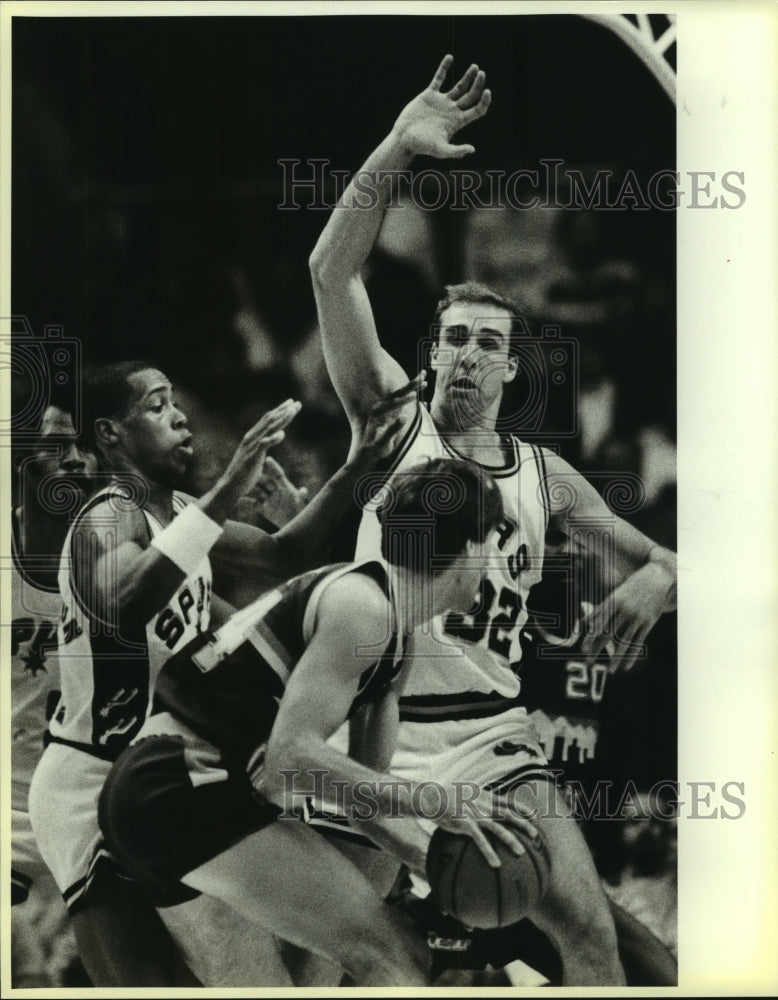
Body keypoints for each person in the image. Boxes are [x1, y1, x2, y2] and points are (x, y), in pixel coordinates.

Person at [309, 55, 677, 986]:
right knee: (342, 959)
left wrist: (657, 575)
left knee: (590, 936)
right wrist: (396, 147)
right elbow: (328, 270)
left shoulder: (547, 478)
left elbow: (670, 560)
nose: (470, 357)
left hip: (491, 735)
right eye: (457, 340)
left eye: (490, 345)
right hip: (372, 731)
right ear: (429, 356)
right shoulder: (390, 420)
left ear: (513, 370)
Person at [27, 359, 422, 985]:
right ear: (109, 435)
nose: (180, 416)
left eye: (176, 400)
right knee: (152, 985)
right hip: (88, 777)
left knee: (245, 969)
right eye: (156, 406)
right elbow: (128, 602)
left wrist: (359, 464)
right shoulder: (106, 515)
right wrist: (231, 481)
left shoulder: (183, 512)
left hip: (167, 765)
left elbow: (284, 552)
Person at [97, 456, 537, 987]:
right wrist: (434, 799)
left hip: (165, 796)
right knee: (395, 957)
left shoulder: (398, 634)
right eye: (494, 541)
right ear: (469, 549)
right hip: (182, 783)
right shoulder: (363, 608)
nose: (495, 561)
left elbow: (364, 800)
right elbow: (289, 761)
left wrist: (429, 863)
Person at [10, 403, 97, 986]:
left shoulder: (123, 546)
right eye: (55, 445)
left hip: (97, 815)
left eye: (80, 445)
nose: (75, 460)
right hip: (12, 815)